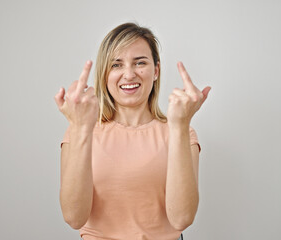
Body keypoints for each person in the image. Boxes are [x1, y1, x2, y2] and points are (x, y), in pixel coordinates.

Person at [54, 22, 211, 240]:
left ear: (155, 71)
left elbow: (182, 219)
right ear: (104, 74)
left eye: (140, 63)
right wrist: (81, 128)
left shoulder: (181, 132)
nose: (129, 74)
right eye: (116, 65)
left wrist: (180, 126)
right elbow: (73, 217)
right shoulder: (81, 130)